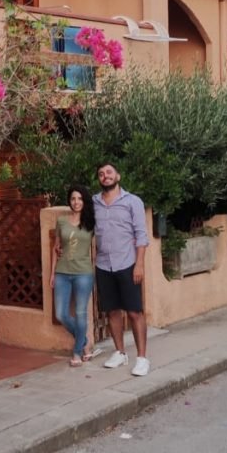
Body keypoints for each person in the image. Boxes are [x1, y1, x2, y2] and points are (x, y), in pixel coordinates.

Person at [93, 161, 150, 376]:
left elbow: (141, 235)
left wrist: (139, 264)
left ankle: (142, 358)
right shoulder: (94, 202)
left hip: (127, 264)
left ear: (118, 176)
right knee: (112, 310)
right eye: (101, 174)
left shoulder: (133, 202)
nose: (105, 176)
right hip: (103, 265)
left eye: (109, 172)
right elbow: (83, 225)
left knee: (134, 312)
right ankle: (120, 353)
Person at [49, 185, 98, 367]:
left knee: (80, 313)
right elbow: (56, 248)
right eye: (73, 199)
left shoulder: (91, 222)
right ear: (69, 201)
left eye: (79, 199)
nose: (76, 202)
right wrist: (52, 273)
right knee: (61, 314)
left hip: (83, 273)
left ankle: (77, 353)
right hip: (62, 272)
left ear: (84, 201)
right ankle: (84, 342)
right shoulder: (61, 221)